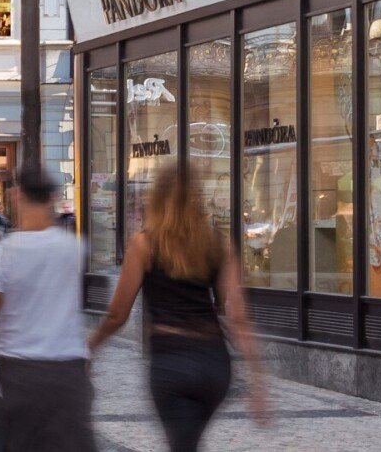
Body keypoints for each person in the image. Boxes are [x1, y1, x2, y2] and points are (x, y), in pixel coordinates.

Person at [90, 169, 269, 451]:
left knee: (183, 443)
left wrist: (91, 346)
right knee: (188, 442)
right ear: (197, 201)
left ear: (157, 201)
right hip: (214, 364)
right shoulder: (217, 244)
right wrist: (258, 383)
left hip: (170, 363)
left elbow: (117, 315)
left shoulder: (144, 244)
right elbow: (239, 316)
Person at [0, 166, 93, 450]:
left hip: (21, 378)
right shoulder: (76, 248)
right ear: (54, 198)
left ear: (17, 196)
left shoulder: (10, 251)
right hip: (69, 377)